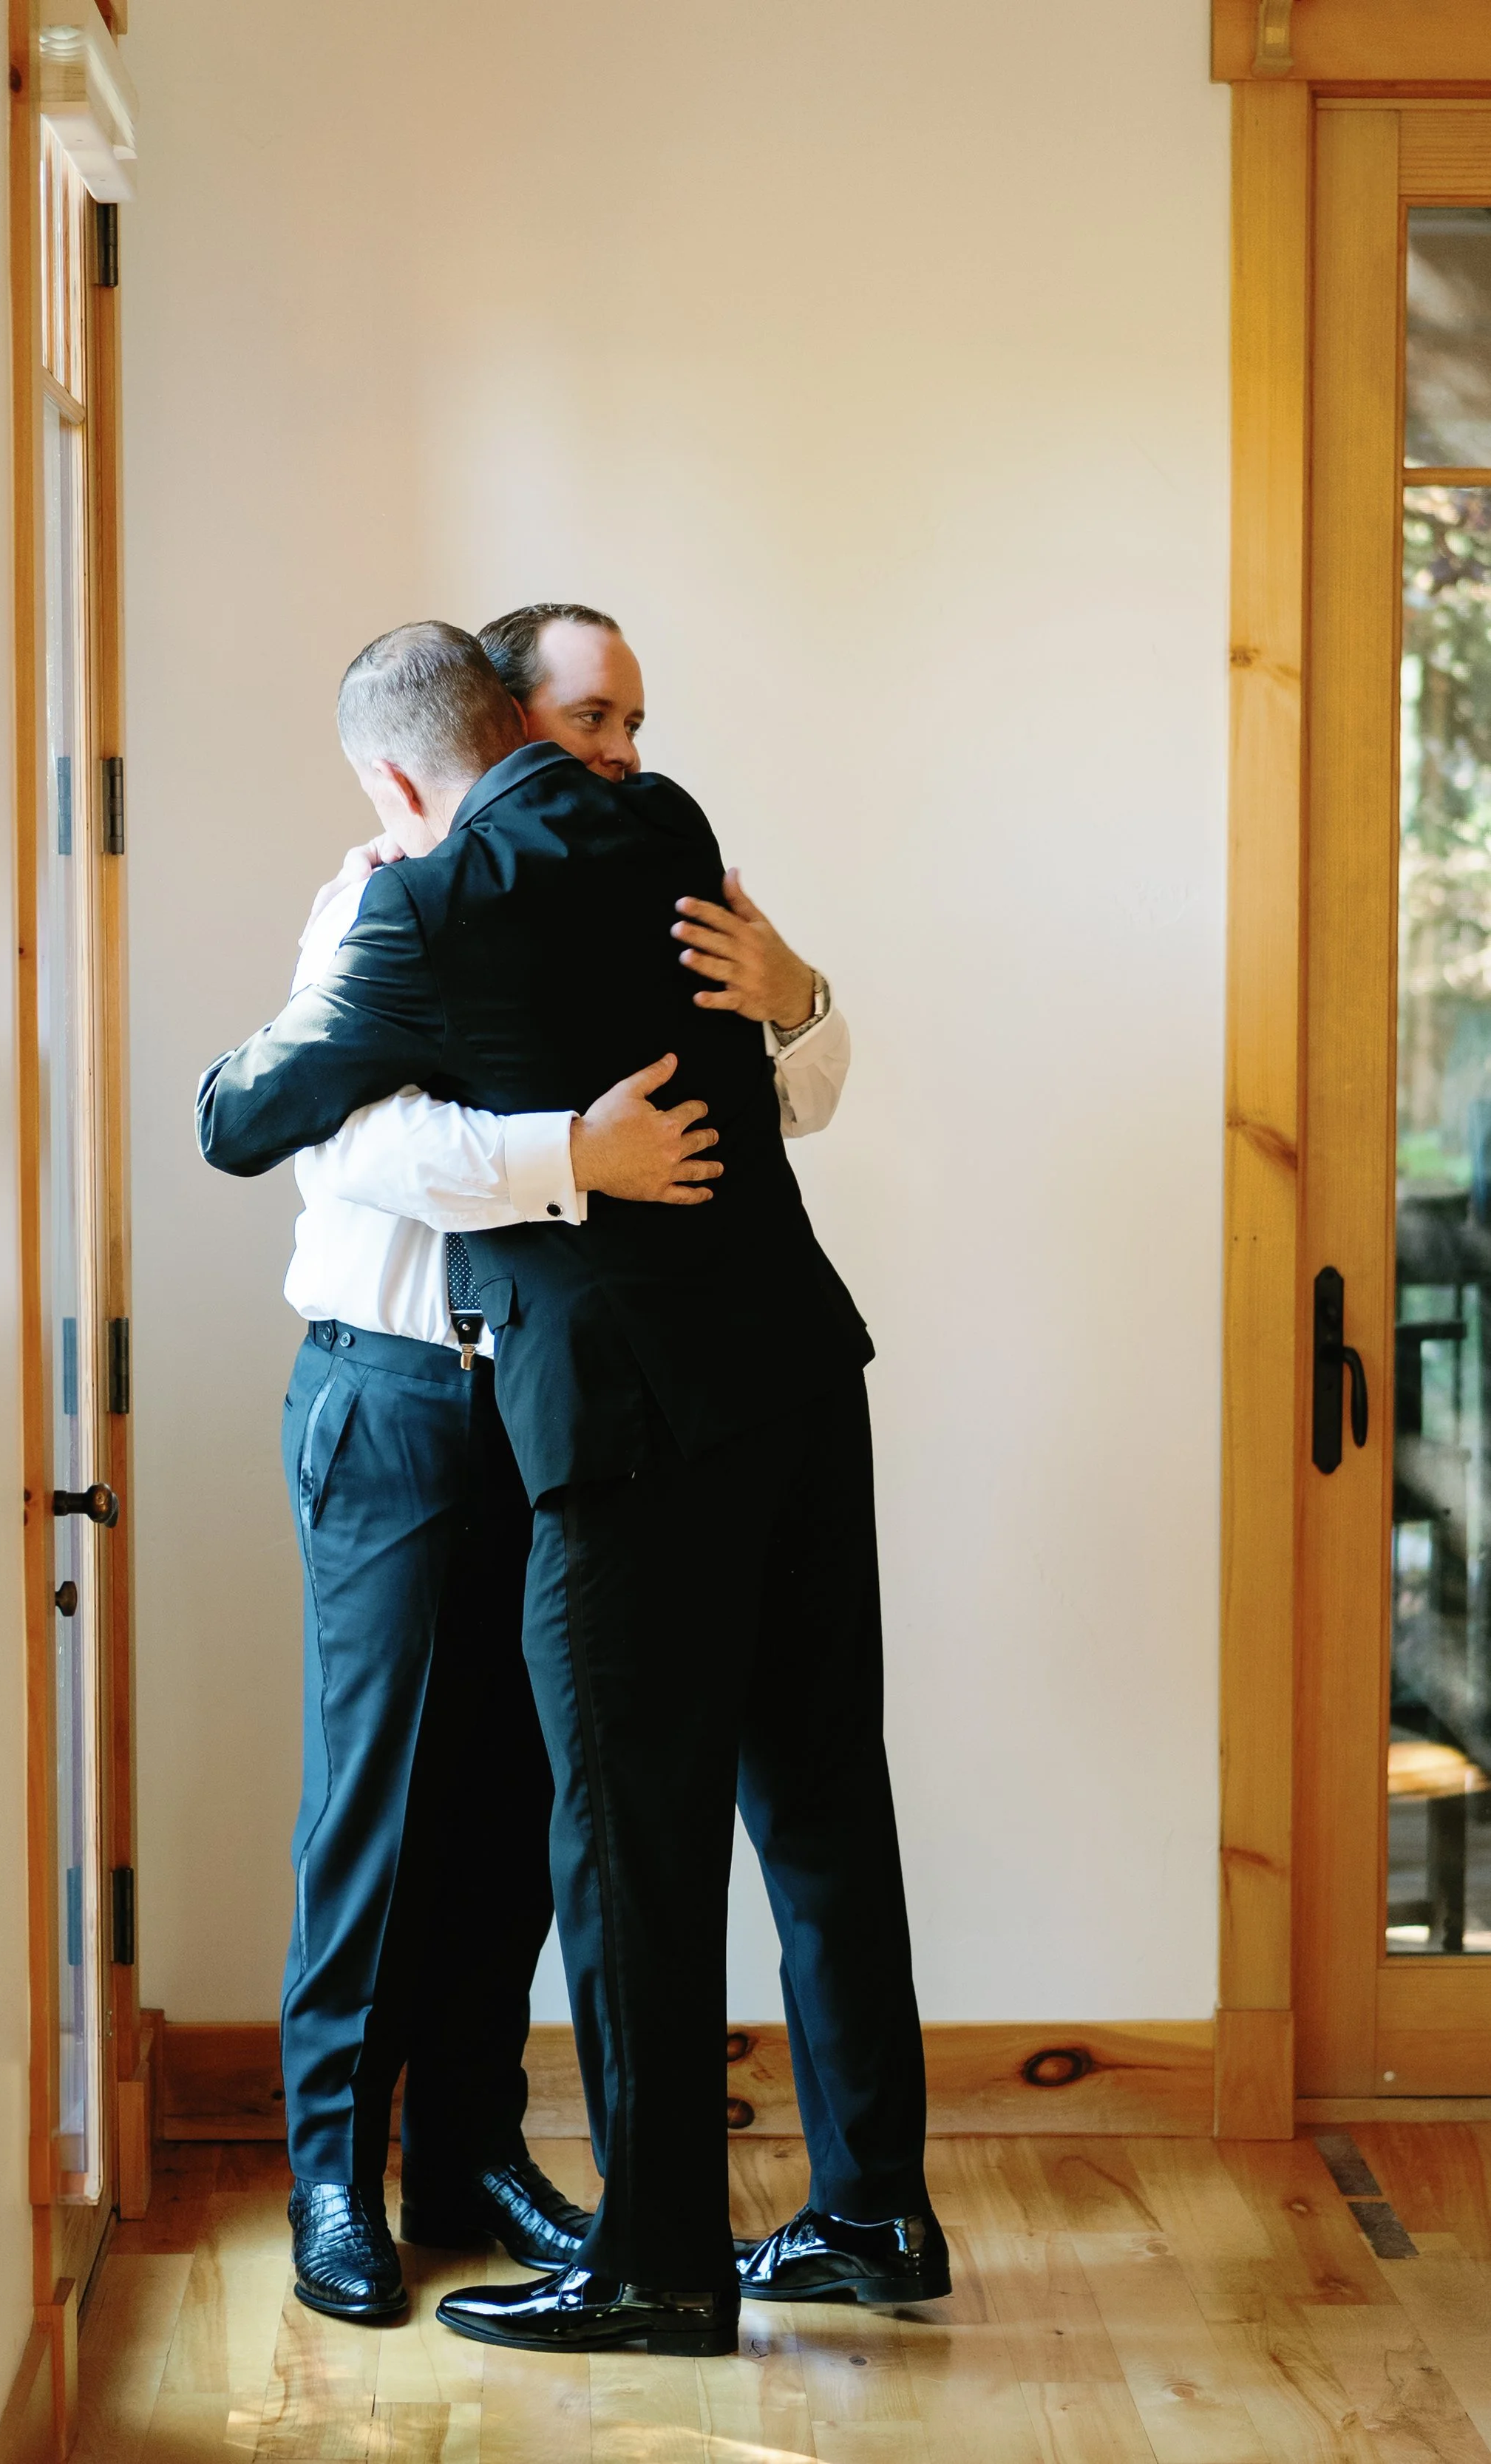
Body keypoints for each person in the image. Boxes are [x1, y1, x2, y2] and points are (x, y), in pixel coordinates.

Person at [199, 623, 943, 2358]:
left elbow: (279, 1124)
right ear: (503, 721)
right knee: (715, 1803)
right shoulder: (607, 845)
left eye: (629, 720)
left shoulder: (518, 882)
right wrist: (569, 1155)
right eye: (583, 717)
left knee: (603, 1837)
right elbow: (356, 1147)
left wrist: (800, 998)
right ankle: (829, 2212)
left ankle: (651, 2241)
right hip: (616, 1383)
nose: (618, 747)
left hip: (608, 1409)